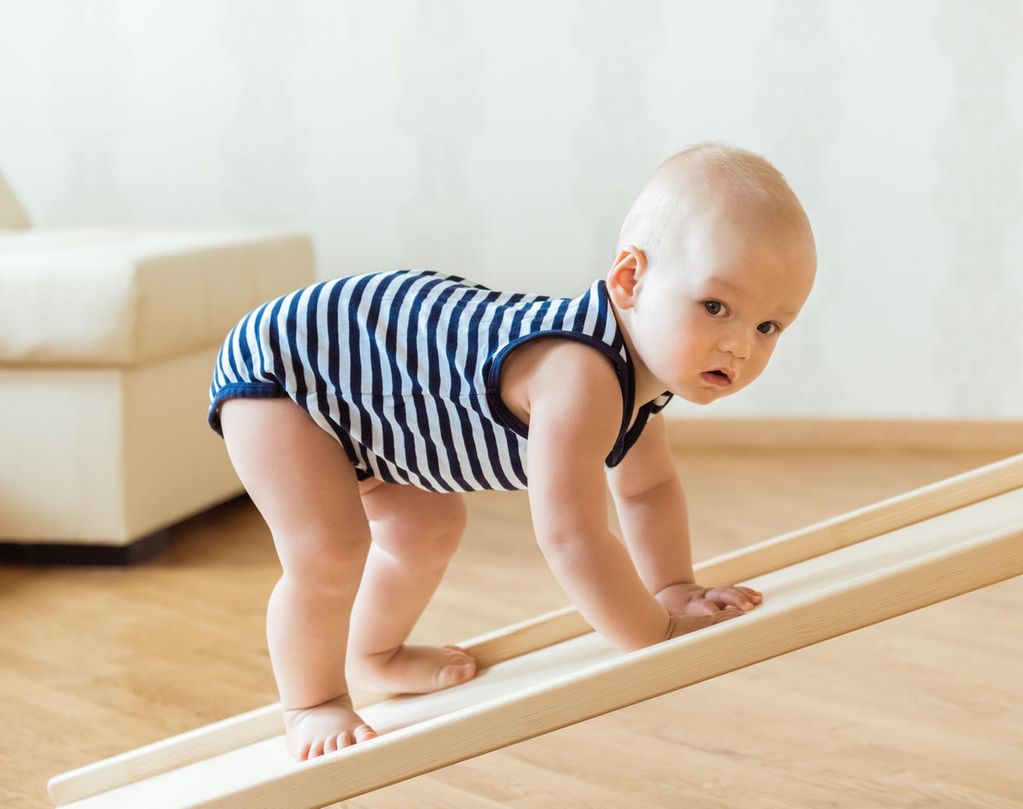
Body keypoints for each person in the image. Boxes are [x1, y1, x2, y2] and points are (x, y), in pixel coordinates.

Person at [206, 142, 818, 761]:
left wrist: (674, 587)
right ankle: (311, 704)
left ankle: (374, 656)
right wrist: (654, 636)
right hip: (289, 369)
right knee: (329, 552)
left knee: (428, 524)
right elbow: (571, 535)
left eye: (768, 326)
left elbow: (646, 489)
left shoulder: (642, 382)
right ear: (631, 280)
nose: (740, 346)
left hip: (379, 407)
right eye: (716, 307)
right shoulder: (580, 374)